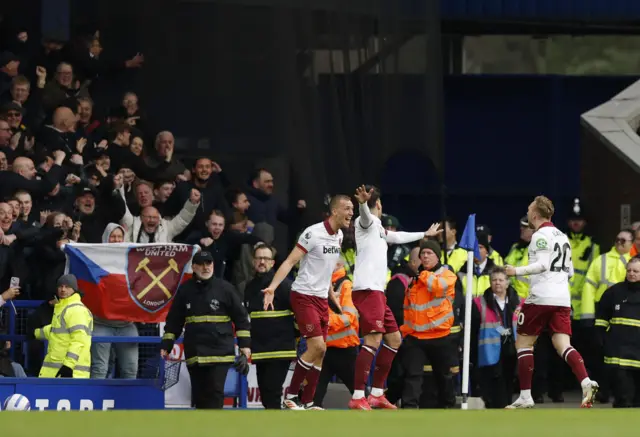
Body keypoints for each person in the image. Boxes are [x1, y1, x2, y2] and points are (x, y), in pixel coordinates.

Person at [349, 185, 441, 410]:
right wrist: (362, 204)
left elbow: (397, 236)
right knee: (373, 340)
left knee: (394, 339)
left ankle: (377, 394)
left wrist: (424, 235)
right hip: (367, 290)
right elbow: (364, 217)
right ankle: (358, 396)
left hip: (377, 292)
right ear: (379, 205)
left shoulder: (379, 227)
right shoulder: (367, 222)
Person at [505, 195, 598, 409]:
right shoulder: (563, 236)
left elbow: (542, 264)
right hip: (562, 299)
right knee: (563, 345)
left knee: (524, 344)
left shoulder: (539, 236)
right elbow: (571, 271)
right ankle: (586, 382)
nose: (528, 213)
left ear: (536, 214)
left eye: (529, 209)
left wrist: (515, 271)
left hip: (540, 297)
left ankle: (526, 396)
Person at [262, 194, 353, 410]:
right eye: (348, 209)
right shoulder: (313, 233)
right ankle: (291, 396)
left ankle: (309, 400)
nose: (351, 213)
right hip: (303, 296)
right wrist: (272, 288)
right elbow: (290, 261)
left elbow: (327, 270)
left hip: (321, 298)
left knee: (321, 351)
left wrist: (332, 297)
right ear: (335, 211)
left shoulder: (339, 236)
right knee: (317, 346)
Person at [160, 251, 251, 409]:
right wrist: (167, 344)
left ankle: (215, 430)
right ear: (194, 267)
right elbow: (174, 320)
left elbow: (241, 318)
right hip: (195, 353)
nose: (205, 267)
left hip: (220, 352)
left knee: (215, 392)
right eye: (201, 264)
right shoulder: (185, 290)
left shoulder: (226, 289)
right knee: (200, 396)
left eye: (208, 263)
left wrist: (245, 346)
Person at [243, 243, 297, 409]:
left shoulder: (284, 285)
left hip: (280, 349)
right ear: (253, 261)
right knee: (266, 395)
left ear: (273, 263)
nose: (262, 262)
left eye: (266, 258)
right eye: (259, 258)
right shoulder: (250, 287)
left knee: (272, 393)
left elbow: (300, 313)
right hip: (260, 351)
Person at [471, 266, 520, 408]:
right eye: (494, 280)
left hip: (512, 348)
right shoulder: (479, 302)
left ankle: (507, 405)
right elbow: (474, 328)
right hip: (489, 350)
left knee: (509, 380)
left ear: (507, 282)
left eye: (501, 280)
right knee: (492, 383)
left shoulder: (519, 302)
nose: (497, 283)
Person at [313, 259, 360, 408]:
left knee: (359, 394)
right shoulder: (318, 284)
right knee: (313, 396)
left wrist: (324, 321)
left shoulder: (346, 285)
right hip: (323, 348)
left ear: (339, 265)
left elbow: (350, 317)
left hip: (343, 349)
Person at [595, 257, 640, 408]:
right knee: (622, 396)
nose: (631, 274)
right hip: (618, 352)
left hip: (638, 350)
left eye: (636, 271)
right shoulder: (615, 292)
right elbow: (602, 317)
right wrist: (601, 337)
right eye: (629, 271)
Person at [34, 274, 94, 378]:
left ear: (74, 289)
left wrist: (68, 366)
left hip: (71, 372)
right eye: (60, 286)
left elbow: (78, 340)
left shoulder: (76, 310)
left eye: (67, 287)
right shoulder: (63, 308)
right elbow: (55, 331)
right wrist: (36, 333)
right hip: (58, 372)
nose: (63, 289)